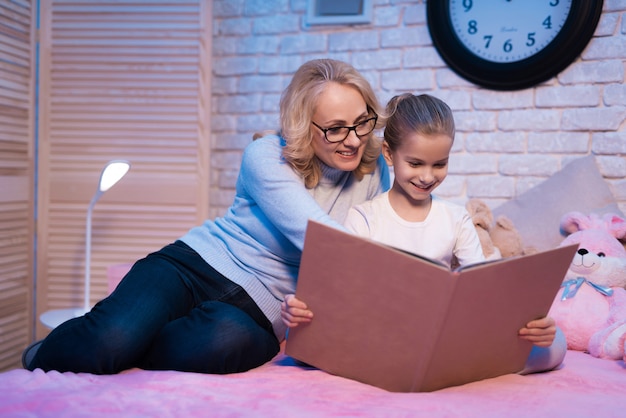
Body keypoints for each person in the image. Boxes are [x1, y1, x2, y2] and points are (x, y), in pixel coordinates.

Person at [22, 58, 390, 374]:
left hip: (261, 310)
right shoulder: (266, 155)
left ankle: (128, 346)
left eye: (362, 121)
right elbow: (320, 238)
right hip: (193, 266)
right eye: (336, 128)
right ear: (303, 128)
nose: (355, 139)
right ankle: (48, 352)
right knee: (111, 339)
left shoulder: (373, 173)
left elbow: (374, 243)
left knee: (218, 346)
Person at [281, 93, 566, 375]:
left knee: (554, 346)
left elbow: (483, 292)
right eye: (415, 164)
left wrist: (530, 326)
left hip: (442, 336)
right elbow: (341, 297)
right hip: (381, 335)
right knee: (310, 348)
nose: (428, 177)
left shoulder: (456, 218)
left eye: (439, 164)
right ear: (389, 154)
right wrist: (301, 313)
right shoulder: (364, 218)